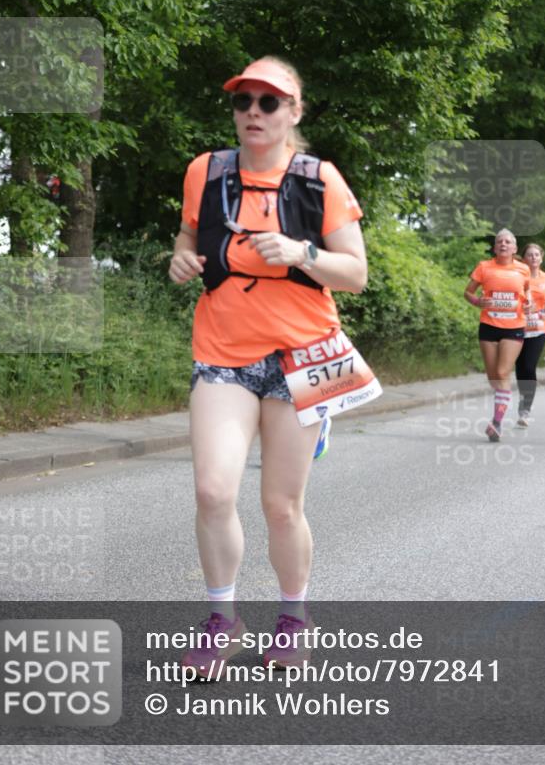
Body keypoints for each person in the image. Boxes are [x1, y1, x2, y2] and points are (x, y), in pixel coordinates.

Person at [168, 55, 367, 676]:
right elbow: (187, 234)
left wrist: (301, 251)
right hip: (224, 355)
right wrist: (180, 259)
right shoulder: (206, 170)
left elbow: (355, 274)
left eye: (268, 102)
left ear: (293, 113)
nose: (253, 112)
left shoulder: (319, 179)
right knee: (212, 491)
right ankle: (222, 622)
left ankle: (293, 620)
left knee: (281, 505)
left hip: (305, 357)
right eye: (243, 101)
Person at [464, 230, 531, 441]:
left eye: (508, 241)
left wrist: (527, 301)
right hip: (489, 325)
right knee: (494, 377)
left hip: (514, 326)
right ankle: (501, 401)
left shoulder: (523, 269)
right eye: (499, 241)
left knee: (503, 372)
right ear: (495, 248)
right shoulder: (484, 267)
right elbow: (469, 292)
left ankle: (497, 423)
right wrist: (477, 302)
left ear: (514, 248)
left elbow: (526, 291)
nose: (503, 244)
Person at [514, 243, 545, 426]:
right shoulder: (516, 277)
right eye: (529, 255)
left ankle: (526, 408)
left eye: (536, 255)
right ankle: (524, 398)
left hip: (539, 328)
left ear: (541, 257)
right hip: (517, 327)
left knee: (530, 366)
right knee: (520, 367)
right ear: (523, 258)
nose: (533, 258)